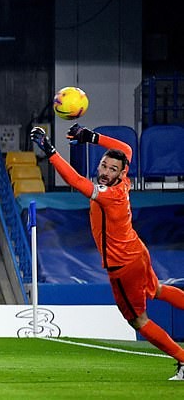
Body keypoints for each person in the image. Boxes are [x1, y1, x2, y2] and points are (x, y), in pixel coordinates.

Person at [30, 123, 184, 381]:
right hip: (137, 251)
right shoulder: (124, 180)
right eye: (103, 165)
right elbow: (124, 148)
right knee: (156, 290)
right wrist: (90, 136)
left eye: (112, 169)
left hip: (123, 266)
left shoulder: (108, 194)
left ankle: (182, 359)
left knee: (138, 321)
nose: (105, 172)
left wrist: (51, 150)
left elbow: (75, 180)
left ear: (121, 173)